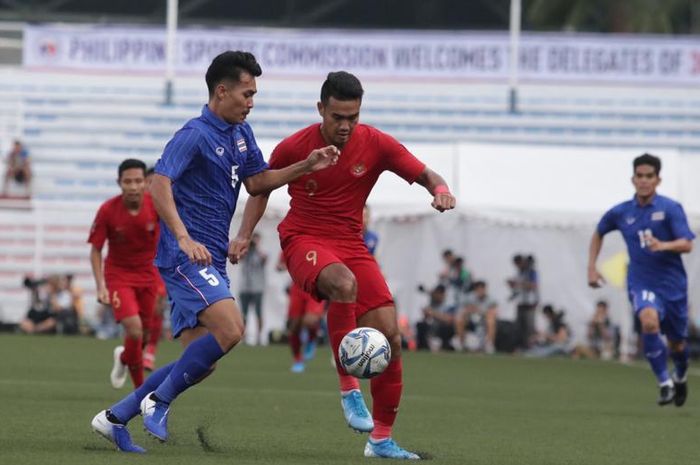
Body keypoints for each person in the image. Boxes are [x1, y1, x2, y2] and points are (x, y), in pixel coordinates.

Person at [90, 50, 338, 453]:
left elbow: (258, 184)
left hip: (211, 259)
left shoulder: (242, 133)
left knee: (202, 362)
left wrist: (305, 166)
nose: (251, 101)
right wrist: (185, 237)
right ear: (221, 92)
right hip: (184, 255)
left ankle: (115, 417)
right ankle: (159, 401)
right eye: (247, 93)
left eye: (254, 94)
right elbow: (160, 183)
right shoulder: (194, 134)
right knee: (232, 329)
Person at [231, 70, 456, 459]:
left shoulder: (376, 143)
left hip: (351, 245)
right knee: (343, 284)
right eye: (338, 117)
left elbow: (425, 173)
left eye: (353, 116)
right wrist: (245, 234)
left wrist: (441, 189)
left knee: (391, 337)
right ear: (321, 109)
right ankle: (349, 389)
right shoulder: (296, 146)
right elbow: (261, 186)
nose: (346, 125)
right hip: (304, 239)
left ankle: (381, 440)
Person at [588, 153, 695, 407]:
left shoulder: (670, 208)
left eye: (649, 176)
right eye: (640, 176)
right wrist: (591, 267)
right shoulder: (621, 212)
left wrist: (664, 245)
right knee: (648, 322)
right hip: (641, 281)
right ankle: (664, 383)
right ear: (632, 179)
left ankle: (680, 376)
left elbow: (687, 244)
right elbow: (598, 232)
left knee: (678, 344)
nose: (644, 181)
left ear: (658, 180)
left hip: (672, 285)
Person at [88, 158, 159, 390]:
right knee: (134, 329)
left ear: (145, 183)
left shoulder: (156, 205)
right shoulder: (108, 210)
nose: (133, 186)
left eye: (138, 181)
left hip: (148, 275)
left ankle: (123, 358)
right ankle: (141, 393)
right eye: (128, 181)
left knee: (144, 336)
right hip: (119, 276)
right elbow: (96, 250)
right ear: (119, 183)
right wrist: (101, 286)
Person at [277, 252, 325, 372]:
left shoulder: (320, 240)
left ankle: (311, 339)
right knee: (294, 326)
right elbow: (280, 264)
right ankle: (298, 360)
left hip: (315, 286)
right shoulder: (291, 241)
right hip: (297, 288)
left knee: (310, 320)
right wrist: (282, 266)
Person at [143, 166, 167, 371]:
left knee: (157, 305)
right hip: (137, 266)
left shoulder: (164, 204)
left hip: (159, 264)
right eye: (148, 183)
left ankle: (150, 350)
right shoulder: (135, 207)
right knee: (140, 312)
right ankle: (137, 348)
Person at [238, 232, 267, 345]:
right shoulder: (245, 252)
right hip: (244, 287)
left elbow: (264, 260)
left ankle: (259, 337)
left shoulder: (261, 253)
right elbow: (238, 259)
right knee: (243, 314)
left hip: (257, 287)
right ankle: (243, 337)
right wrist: (246, 247)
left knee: (258, 313)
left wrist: (256, 248)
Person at [455, 280, 498, 353]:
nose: (481, 291)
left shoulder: (491, 299)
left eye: (483, 288)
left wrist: (479, 311)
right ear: (476, 289)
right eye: (479, 289)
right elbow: (462, 310)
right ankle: (461, 342)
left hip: (483, 321)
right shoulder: (469, 297)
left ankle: (489, 344)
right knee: (459, 318)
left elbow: (494, 312)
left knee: (490, 320)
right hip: (470, 321)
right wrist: (470, 310)